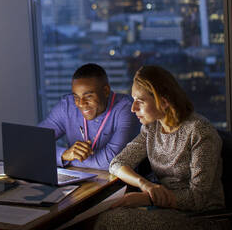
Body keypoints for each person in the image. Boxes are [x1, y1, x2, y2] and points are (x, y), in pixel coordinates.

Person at [93, 65, 224, 230]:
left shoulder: (199, 131)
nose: (133, 109)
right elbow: (117, 163)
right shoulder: (152, 128)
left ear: (163, 102)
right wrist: (145, 185)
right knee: (103, 214)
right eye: (133, 100)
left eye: (140, 102)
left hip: (200, 217)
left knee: (110, 220)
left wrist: (147, 198)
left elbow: (197, 199)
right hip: (164, 206)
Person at [38, 63, 139, 170]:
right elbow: (33, 141)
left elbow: (113, 161)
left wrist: (67, 160)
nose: (81, 103)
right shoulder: (67, 105)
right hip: (79, 179)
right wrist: (63, 155)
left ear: (106, 91)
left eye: (88, 96)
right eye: (76, 97)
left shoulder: (126, 108)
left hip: (120, 182)